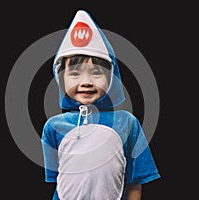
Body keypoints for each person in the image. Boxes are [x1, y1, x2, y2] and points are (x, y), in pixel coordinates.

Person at [41, 9, 160, 200]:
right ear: (60, 78)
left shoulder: (127, 124)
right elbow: (59, 183)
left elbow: (135, 183)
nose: (86, 81)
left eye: (96, 72)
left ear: (111, 77)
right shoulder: (53, 127)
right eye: (74, 73)